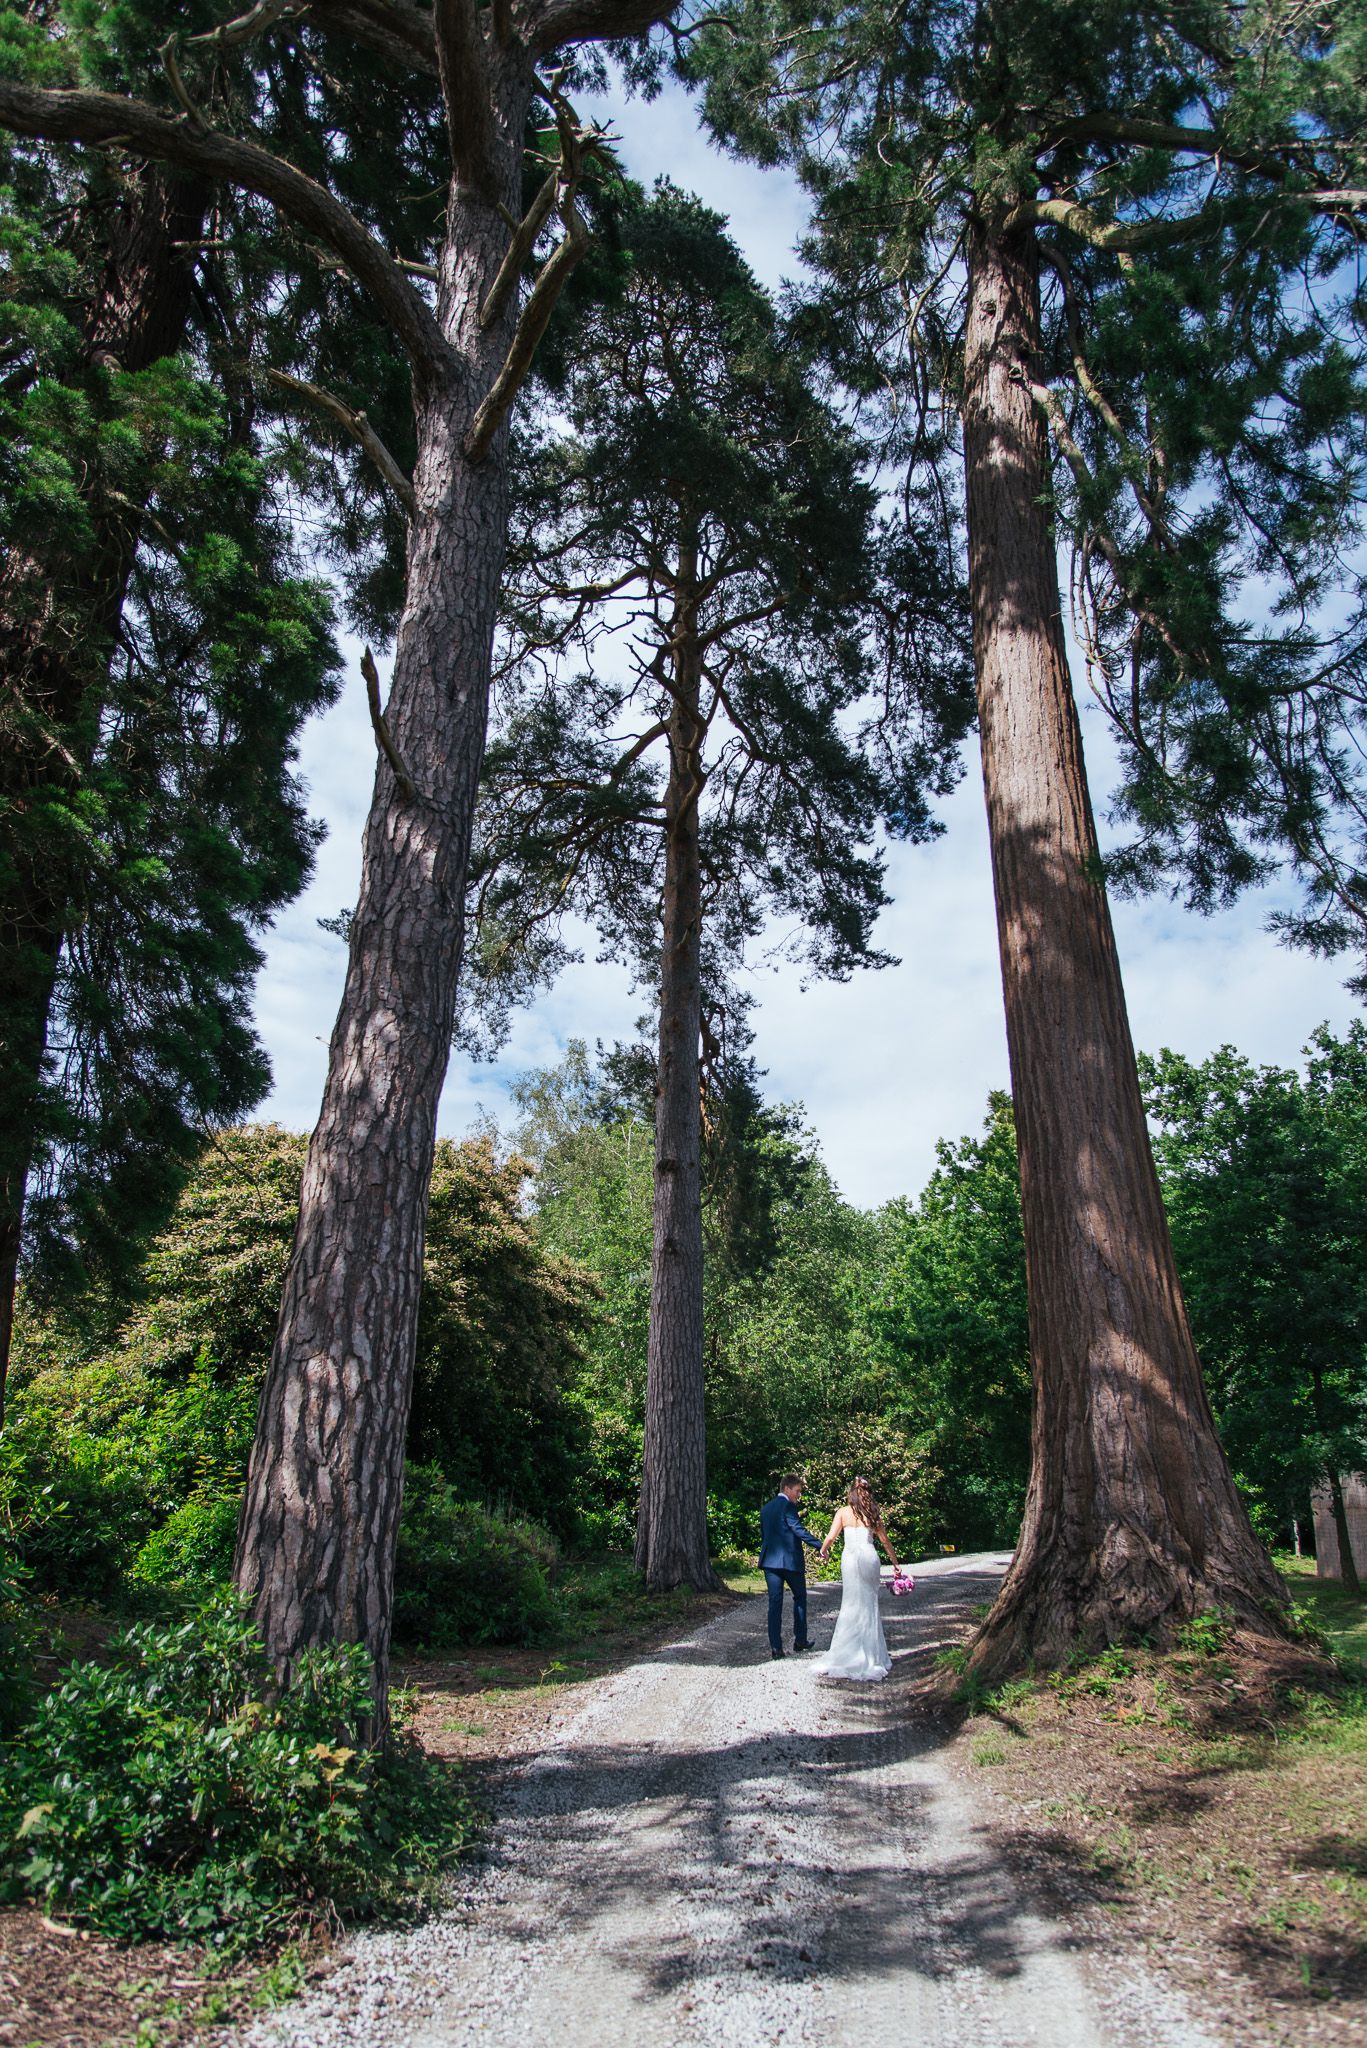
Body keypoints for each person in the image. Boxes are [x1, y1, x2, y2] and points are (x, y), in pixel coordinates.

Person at [816, 1476, 900, 1681]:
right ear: (867, 1493)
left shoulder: (843, 1512)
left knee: (850, 1602)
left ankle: (847, 1653)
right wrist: (895, 1563)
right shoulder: (872, 1513)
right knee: (869, 1604)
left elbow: (831, 1537)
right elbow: (885, 1541)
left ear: (850, 1493)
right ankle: (871, 1656)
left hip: (850, 1558)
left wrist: (823, 1550)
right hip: (869, 1556)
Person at [758, 1474, 821, 1660]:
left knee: (774, 1603)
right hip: (790, 1562)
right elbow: (797, 1529)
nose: (799, 1495)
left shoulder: (766, 1508)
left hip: (770, 1562)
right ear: (786, 1489)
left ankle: (776, 1648)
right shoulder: (788, 1506)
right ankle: (800, 1640)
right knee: (800, 1597)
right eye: (797, 1491)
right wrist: (820, 1545)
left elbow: (764, 1535)